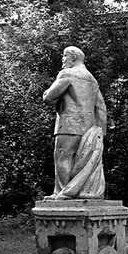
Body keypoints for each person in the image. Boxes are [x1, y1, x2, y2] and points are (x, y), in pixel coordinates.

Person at [43, 45, 107, 200]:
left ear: (73, 58)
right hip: (89, 127)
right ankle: (77, 192)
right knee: (83, 161)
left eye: (65, 56)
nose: (63, 59)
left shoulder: (67, 74)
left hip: (69, 124)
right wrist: (100, 132)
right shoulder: (92, 80)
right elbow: (101, 107)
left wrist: (46, 92)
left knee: (62, 157)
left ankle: (62, 193)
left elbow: (49, 98)